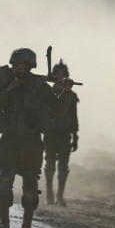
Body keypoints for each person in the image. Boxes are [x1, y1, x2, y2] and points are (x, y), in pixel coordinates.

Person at [0, 48, 72, 228]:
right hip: (9, 142)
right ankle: (4, 224)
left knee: (31, 187)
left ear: (29, 66)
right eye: (14, 65)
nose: (17, 68)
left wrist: (66, 92)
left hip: (31, 144)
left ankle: (26, 227)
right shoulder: (6, 83)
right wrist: (8, 89)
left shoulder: (40, 87)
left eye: (20, 65)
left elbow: (58, 109)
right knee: (4, 180)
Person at [42, 60, 79, 207]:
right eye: (58, 74)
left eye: (63, 74)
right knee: (50, 165)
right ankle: (49, 194)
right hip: (50, 134)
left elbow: (74, 115)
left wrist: (75, 135)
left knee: (63, 167)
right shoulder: (47, 92)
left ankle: (60, 196)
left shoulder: (71, 95)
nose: (61, 76)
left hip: (65, 134)